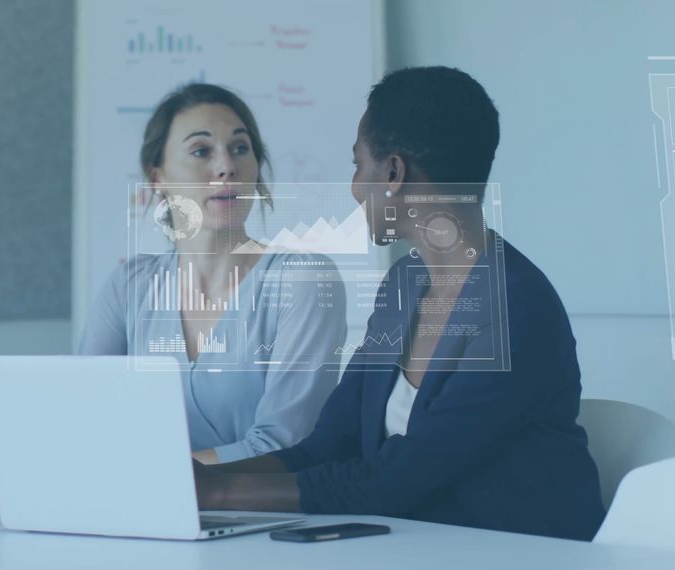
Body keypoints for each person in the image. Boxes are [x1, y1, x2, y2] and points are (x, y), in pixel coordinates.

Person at [192, 66, 607, 541]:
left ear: (392, 172)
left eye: (357, 165)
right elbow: (328, 447)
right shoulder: (403, 285)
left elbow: (392, 480)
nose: (353, 187)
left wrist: (219, 495)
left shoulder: (516, 307)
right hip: (416, 548)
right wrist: (201, 481)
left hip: (523, 554)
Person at [0, 83, 348, 464]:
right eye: (201, 151)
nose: (226, 167)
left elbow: (285, 443)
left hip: (272, 530)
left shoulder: (303, 282)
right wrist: (6, 405)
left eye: (240, 148)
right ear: (157, 177)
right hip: (146, 522)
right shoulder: (130, 286)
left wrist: (147, 470)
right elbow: (85, 414)